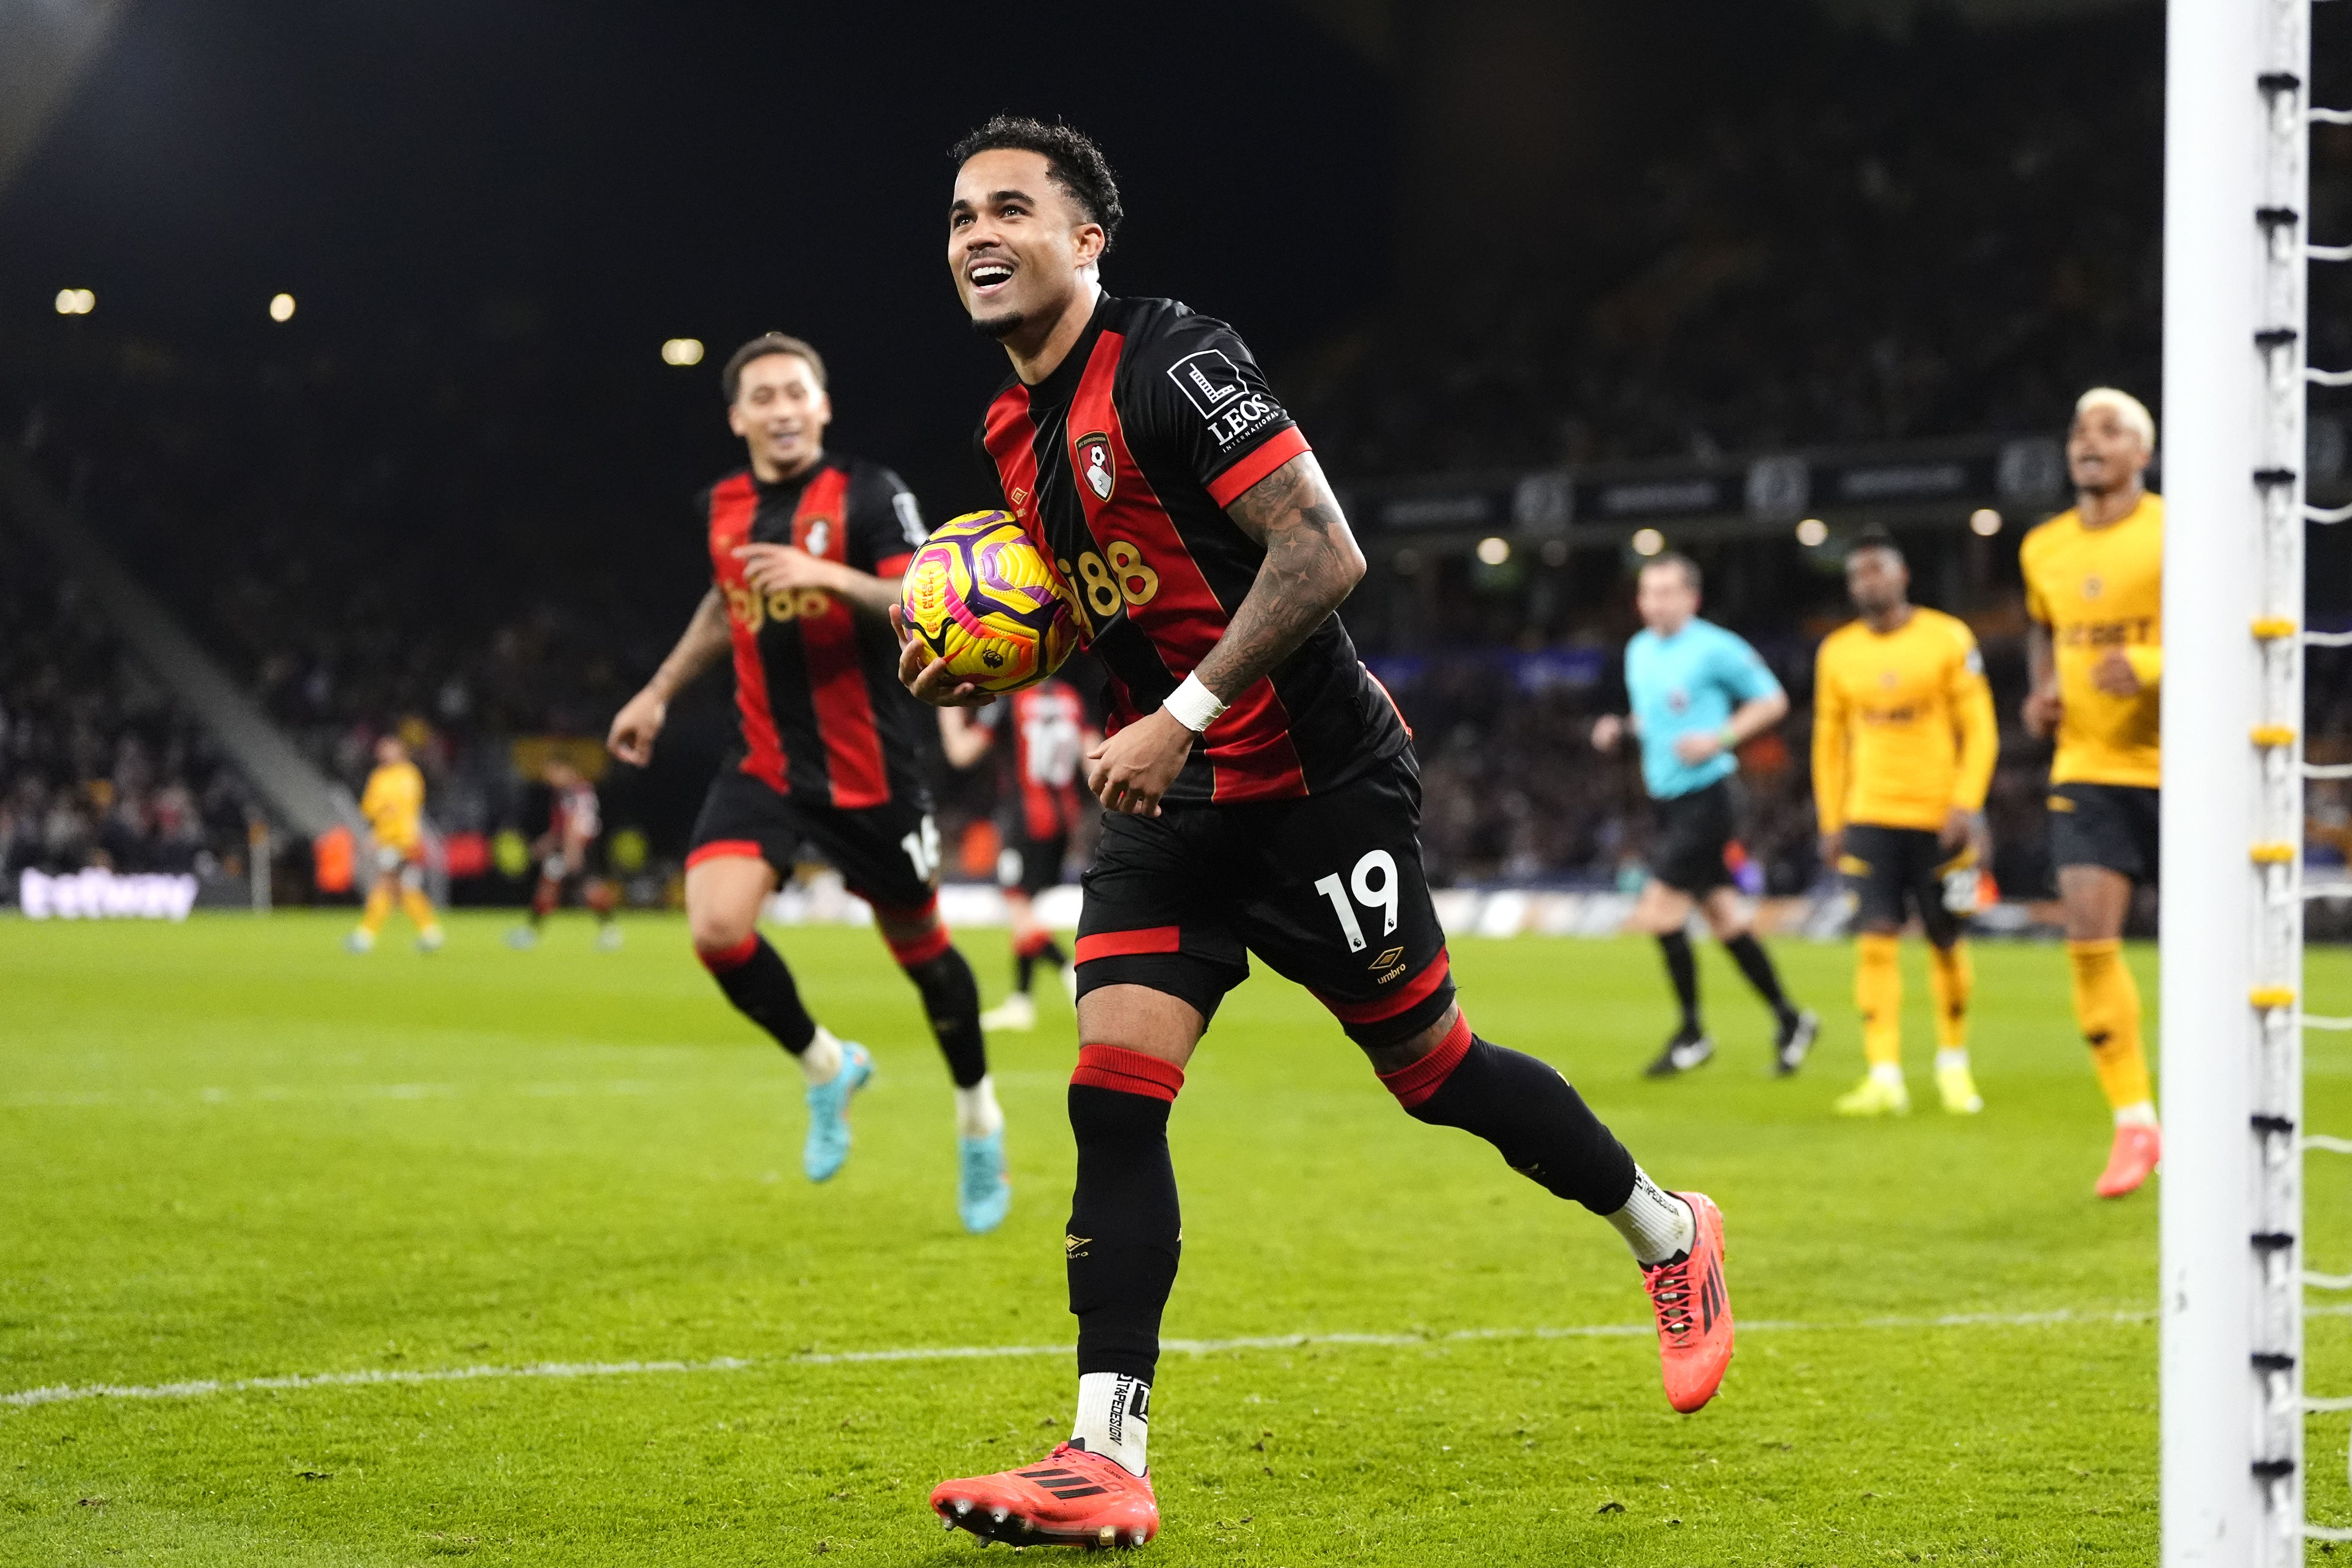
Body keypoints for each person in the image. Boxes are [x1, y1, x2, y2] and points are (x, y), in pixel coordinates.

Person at [905, 116, 1732, 1553]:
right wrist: (990, 657)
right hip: (1175, 811)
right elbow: (1113, 605)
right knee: (1112, 1088)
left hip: (1314, 789)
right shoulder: (1005, 434)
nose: (977, 234)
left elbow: (1322, 551)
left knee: (1433, 1072)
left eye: (1011, 211)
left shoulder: (1174, 362)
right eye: (962, 215)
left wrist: (1184, 710)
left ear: (1086, 241)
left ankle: (1668, 1231)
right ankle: (1105, 1451)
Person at [605, 332, 1009, 1234]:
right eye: (765, 396)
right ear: (739, 416)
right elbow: (725, 599)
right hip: (764, 764)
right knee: (714, 927)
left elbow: (923, 599)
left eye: (798, 392)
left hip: (869, 769)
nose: (783, 409)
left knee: (926, 960)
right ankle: (828, 1064)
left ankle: (978, 1115)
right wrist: (660, 690)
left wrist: (825, 573)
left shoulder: (872, 492)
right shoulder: (722, 503)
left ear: (822, 406)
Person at [1590, 555, 1817, 1077]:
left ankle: (1692, 1034)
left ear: (1691, 598)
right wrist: (1621, 729)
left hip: (1709, 796)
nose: (1656, 602)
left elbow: (1772, 701)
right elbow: (1655, 718)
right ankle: (1790, 1019)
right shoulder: (1639, 650)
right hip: (1667, 802)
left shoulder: (1716, 648)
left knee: (1659, 910)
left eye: (1668, 592)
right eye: (1648, 592)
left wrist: (1719, 738)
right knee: (1722, 918)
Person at [2019, 387, 2165, 1198]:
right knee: (2088, 936)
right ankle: (2134, 1121)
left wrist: (2151, 668)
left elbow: (2236, 622)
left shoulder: (2178, 530)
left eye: (2109, 430)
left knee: (2217, 953)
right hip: (2087, 765)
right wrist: (2042, 690)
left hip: (2190, 767)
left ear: (2141, 453)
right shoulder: (2042, 548)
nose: (2089, 441)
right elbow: (2044, 626)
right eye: (2079, 429)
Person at [1812, 530, 1997, 1116]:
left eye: (1876, 571)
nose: (1867, 583)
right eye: (1857, 575)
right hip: (1869, 816)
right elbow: (1828, 740)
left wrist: (1965, 802)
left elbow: (1981, 728)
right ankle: (1884, 1074)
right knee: (1874, 941)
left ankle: (1952, 1066)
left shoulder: (1947, 638)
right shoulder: (1837, 651)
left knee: (1946, 940)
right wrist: (1831, 815)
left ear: (1901, 576)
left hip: (1939, 816)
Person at [938, 678, 1093, 1030]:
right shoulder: (1070, 696)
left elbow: (962, 753)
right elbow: (1091, 754)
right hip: (1064, 819)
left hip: (1025, 818)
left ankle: (1070, 970)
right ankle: (1021, 1001)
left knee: (1017, 906)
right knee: (1025, 906)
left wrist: (946, 713)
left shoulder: (1011, 700)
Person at [508, 756, 621, 951]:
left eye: (553, 772)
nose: (549, 778)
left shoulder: (570, 793)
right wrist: (542, 847)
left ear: (566, 769)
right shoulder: (583, 789)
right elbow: (561, 829)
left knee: (580, 889)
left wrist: (572, 852)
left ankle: (531, 934)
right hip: (581, 846)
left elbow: (572, 824)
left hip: (576, 848)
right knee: (564, 886)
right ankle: (610, 931)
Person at [346, 734, 444, 953]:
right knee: (405, 890)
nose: (383, 752)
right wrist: (378, 832)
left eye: (388, 748)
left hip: (403, 842)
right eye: (381, 749)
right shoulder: (380, 776)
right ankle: (431, 933)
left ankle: (365, 937)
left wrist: (381, 836)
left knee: (385, 885)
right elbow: (370, 808)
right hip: (389, 841)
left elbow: (402, 811)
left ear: (400, 751)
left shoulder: (408, 775)